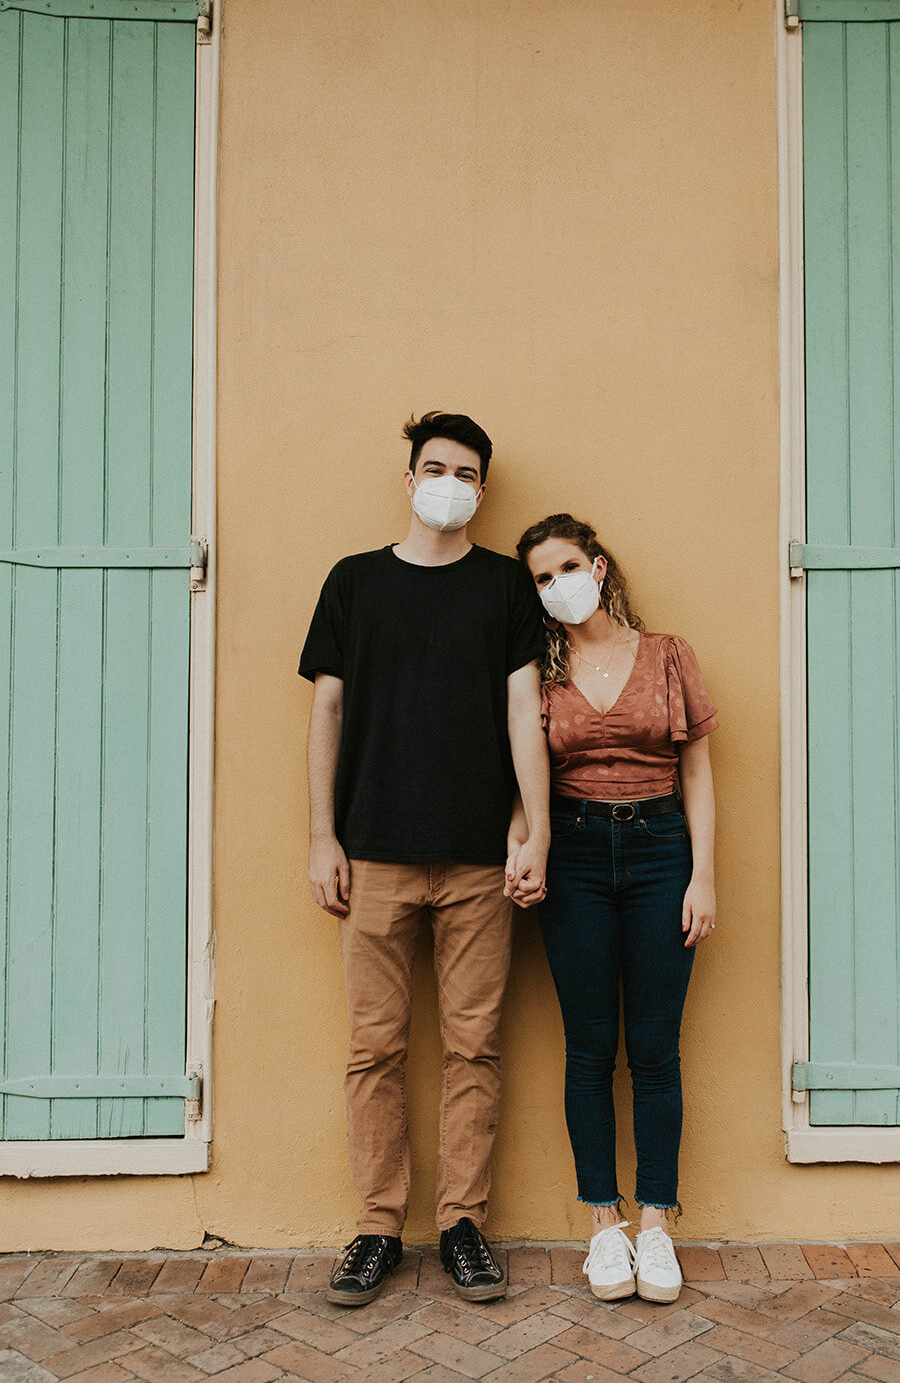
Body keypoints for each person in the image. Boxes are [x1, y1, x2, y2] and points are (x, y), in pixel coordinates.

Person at [299, 412, 549, 1307]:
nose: (450, 482)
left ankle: (461, 1226)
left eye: (467, 472)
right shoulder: (354, 583)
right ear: (409, 481)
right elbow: (325, 714)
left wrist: (534, 827)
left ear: (481, 490)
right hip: (372, 856)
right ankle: (377, 1227)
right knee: (375, 1049)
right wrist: (323, 836)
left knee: (474, 1047)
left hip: (481, 859)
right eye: (435, 467)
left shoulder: (502, 589)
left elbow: (527, 713)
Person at [507, 513, 717, 1306]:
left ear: (597, 566)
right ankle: (604, 1224)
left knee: (656, 1048)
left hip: (662, 851)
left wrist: (704, 877)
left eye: (565, 566)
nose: (555, 583)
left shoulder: (668, 654)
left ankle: (657, 1223)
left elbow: (696, 772)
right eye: (539, 576)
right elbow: (527, 776)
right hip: (578, 858)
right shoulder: (539, 668)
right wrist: (524, 845)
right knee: (590, 1048)